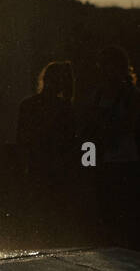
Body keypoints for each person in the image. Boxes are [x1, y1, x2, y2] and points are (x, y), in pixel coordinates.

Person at [15, 60, 77, 243]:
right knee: (55, 214)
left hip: (37, 164)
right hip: (58, 167)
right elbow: (71, 141)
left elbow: (22, 139)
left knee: (38, 214)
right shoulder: (65, 108)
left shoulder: (28, 105)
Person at [87, 45, 139, 248]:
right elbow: (88, 131)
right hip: (103, 161)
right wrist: (87, 162)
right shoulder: (97, 94)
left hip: (125, 161)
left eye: (106, 65)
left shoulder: (130, 95)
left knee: (123, 210)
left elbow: (130, 126)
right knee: (105, 210)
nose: (102, 70)